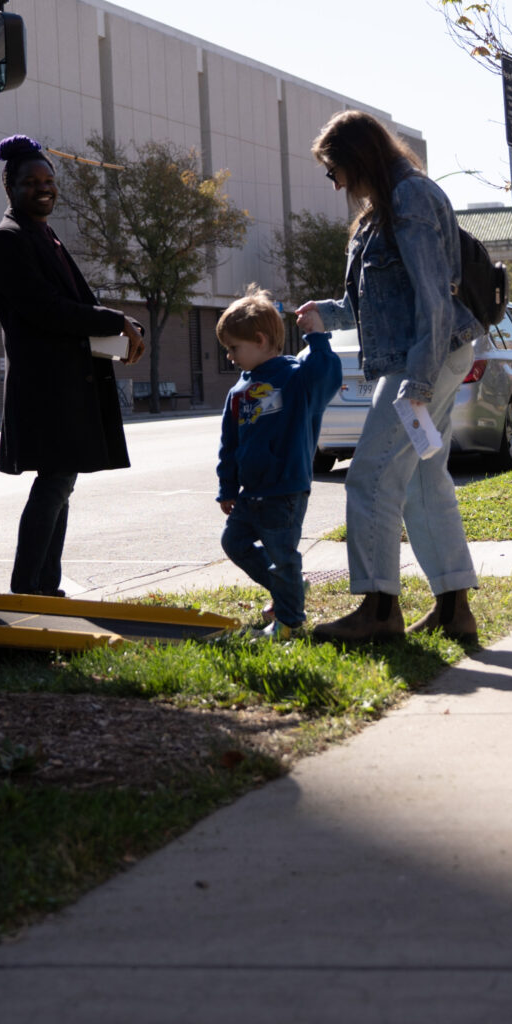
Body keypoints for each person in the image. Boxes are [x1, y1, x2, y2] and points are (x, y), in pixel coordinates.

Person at [293, 109, 480, 645]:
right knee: (423, 479)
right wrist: (324, 313)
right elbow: (367, 302)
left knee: (370, 476)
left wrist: (418, 384)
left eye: (335, 170)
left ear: (357, 157)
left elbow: (432, 296)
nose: (335, 182)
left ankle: (378, 611)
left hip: (420, 358)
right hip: (419, 354)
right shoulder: (379, 213)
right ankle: (453, 609)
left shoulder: (411, 198)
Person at [0, 135, 144, 595]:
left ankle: (45, 587)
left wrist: (125, 323)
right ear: (9, 185)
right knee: (55, 482)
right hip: (44, 387)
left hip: (66, 382)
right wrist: (112, 318)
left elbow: (79, 303)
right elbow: (48, 309)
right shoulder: (8, 240)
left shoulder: (44, 235)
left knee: (61, 483)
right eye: (31, 181)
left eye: (49, 181)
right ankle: (29, 589)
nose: (44, 188)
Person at [214, 286, 341, 638]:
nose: (230, 357)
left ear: (259, 339)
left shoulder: (295, 378)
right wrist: (227, 486)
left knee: (281, 555)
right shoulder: (238, 391)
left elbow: (327, 374)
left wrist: (316, 336)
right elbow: (230, 444)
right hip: (251, 491)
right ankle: (289, 591)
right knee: (233, 543)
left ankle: (290, 621)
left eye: (233, 348)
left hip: (285, 489)